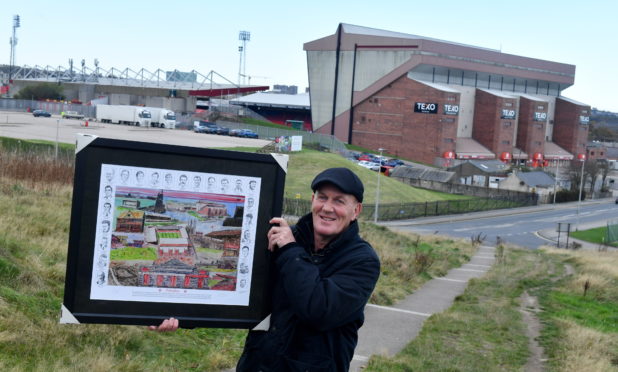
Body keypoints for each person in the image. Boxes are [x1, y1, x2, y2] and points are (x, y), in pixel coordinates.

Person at [151, 167, 380, 371]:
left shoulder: (361, 261)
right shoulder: (282, 239)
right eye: (322, 198)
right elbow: (241, 293)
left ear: (356, 210)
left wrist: (290, 249)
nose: (327, 208)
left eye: (339, 201)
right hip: (258, 363)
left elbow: (318, 309)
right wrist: (180, 316)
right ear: (312, 200)